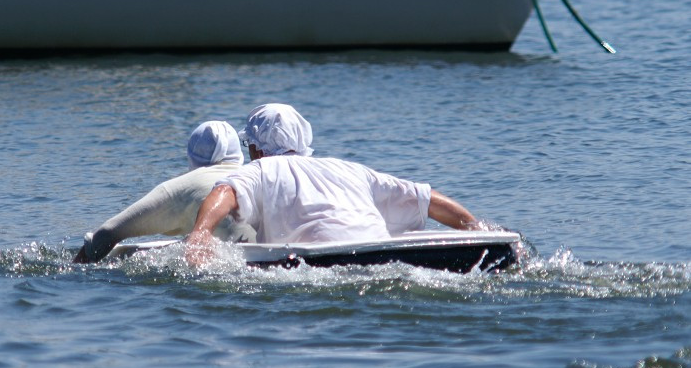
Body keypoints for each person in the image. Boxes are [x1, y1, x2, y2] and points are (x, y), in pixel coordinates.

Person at [185, 104, 479, 264]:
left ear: (256, 150)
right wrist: (477, 229)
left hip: (324, 267)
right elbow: (425, 199)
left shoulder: (262, 168)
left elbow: (224, 192)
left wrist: (199, 235)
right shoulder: (349, 169)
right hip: (383, 254)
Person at [74, 120, 255, 263]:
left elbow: (107, 233)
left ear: (192, 157)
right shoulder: (258, 176)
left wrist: (74, 270)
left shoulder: (184, 187)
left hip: (227, 268)